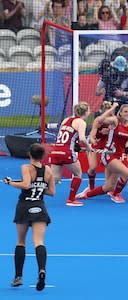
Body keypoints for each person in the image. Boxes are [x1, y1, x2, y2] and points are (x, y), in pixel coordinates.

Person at [4, 143, 55, 291]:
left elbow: (26, 184)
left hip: (24, 206)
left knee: (21, 242)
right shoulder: (48, 170)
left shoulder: (26, 167)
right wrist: (39, 188)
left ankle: (18, 276)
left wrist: (11, 182)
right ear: (42, 156)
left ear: (30, 155)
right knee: (39, 242)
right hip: (39, 206)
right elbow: (52, 192)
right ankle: (42, 270)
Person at [76, 103, 128, 203]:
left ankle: (87, 194)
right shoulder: (115, 121)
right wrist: (112, 108)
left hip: (119, 156)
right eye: (125, 111)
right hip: (109, 155)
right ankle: (115, 195)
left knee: (109, 186)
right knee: (127, 173)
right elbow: (100, 120)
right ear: (120, 113)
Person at [49, 102, 92, 207]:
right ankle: (71, 200)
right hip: (67, 152)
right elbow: (82, 138)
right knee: (78, 174)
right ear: (86, 112)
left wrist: (75, 144)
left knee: (55, 178)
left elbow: (65, 135)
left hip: (56, 150)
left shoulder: (66, 120)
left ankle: (36, 193)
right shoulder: (81, 122)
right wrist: (88, 147)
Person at [83, 101, 114, 194]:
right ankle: (91, 187)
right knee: (93, 167)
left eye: (111, 113)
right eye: (107, 114)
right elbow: (92, 135)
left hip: (107, 146)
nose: (110, 116)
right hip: (95, 145)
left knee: (109, 166)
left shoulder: (114, 121)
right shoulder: (98, 121)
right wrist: (93, 140)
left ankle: (108, 187)